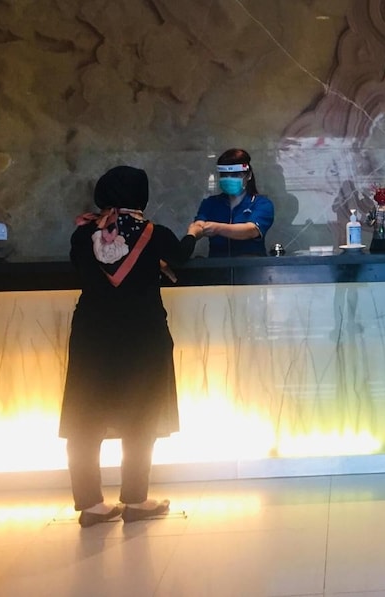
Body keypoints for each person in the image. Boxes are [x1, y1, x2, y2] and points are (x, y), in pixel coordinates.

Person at [60, 165, 202, 527]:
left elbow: (82, 266)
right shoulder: (154, 233)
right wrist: (193, 233)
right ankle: (136, 501)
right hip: (143, 333)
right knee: (140, 415)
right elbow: (181, 256)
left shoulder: (83, 234)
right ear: (141, 195)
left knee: (86, 416)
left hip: (92, 334)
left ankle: (91, 505)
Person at [192, 148, 275, 257]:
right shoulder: (211, 203)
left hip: (251, 266)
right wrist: (194, 232)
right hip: (217, 266)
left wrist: (218, 228)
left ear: (248, 175)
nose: (229, 179)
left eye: (235, 175)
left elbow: (251, 230)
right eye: (224, 175)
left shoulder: (261, 204)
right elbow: (198, 225)